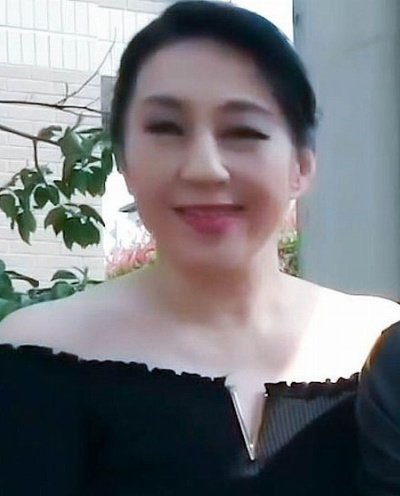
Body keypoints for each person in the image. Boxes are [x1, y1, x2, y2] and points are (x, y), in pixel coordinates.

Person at [0, 1, 399, 494]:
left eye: (243, 132)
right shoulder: (40, 353)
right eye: (166, 129)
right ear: (123, 159)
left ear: (302, 165)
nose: (203, 168)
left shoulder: (384, 350)